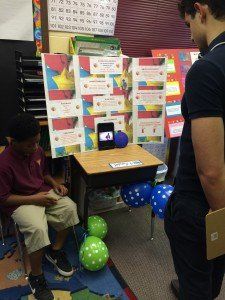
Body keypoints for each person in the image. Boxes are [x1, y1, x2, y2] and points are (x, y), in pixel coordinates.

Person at [164, 1, 225, 299]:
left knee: (198, 287)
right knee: (213, 277)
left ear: (201, 11)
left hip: (202, 206)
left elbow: (210, 171)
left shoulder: (207, 69)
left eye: (188, 25)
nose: (189, 36)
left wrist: (223, 219)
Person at [0, 113, 79, 300]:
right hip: (20, 202)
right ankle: (36, 276)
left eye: (37, 142)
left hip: (42, 193)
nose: (36, 147)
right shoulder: (3, 164)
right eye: (30, 144)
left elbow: (43, 173)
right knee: (37, 228)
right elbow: (3, 199)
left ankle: (55, 251)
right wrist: (35, 199)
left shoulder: (36, 150)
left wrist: (54, 184)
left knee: (69, 208)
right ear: (13, 142)